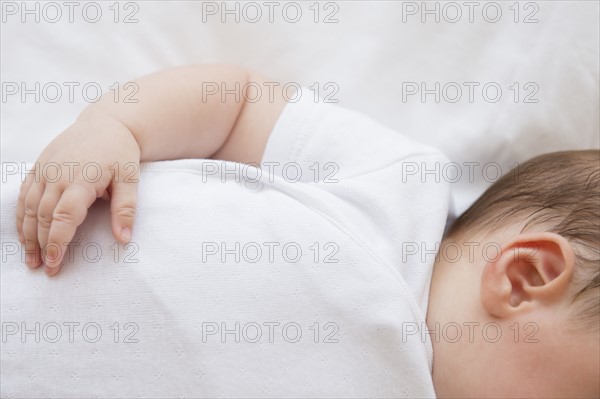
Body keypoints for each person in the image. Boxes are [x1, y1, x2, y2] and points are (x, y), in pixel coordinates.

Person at [14, 65, 599, 397]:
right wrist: (118, 126)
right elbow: (236, 105)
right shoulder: (396, 190)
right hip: (37, 242)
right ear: (524, 277)